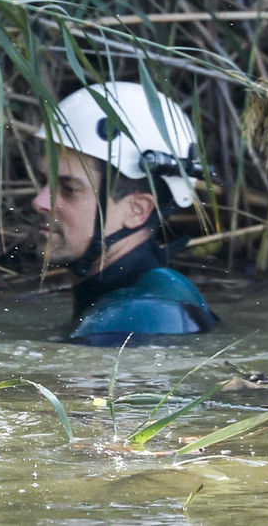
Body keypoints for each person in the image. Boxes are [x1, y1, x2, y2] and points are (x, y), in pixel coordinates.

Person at [31, 81, 219, 346]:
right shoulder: (143, 301)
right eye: (44, 182)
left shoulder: (138, 313)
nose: (39, 201)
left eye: (69, 188)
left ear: (136, 210)